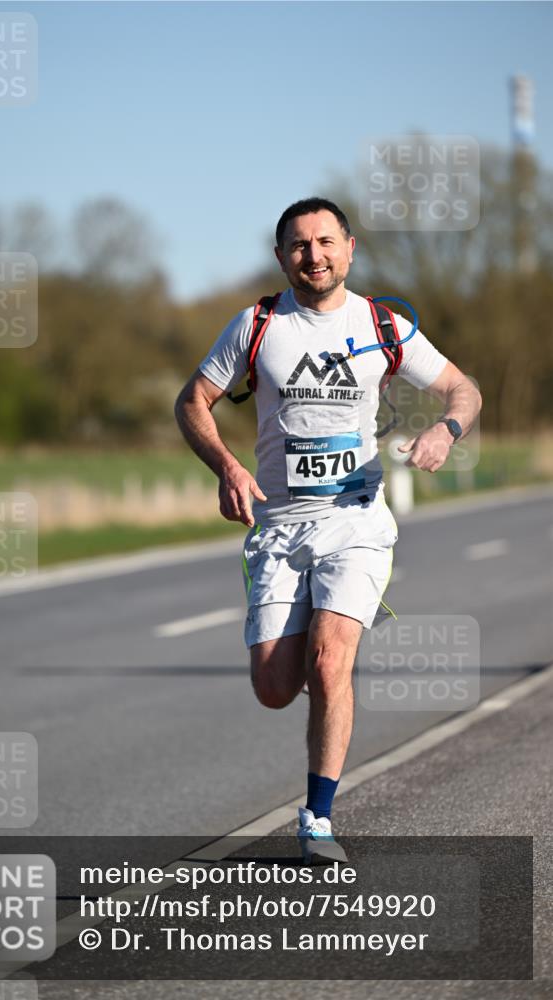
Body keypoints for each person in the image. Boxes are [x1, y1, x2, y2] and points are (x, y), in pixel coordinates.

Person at [174, 197, 482, 863]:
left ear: (348, 248)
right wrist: (225, 465)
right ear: (281, 255)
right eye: (297, 245)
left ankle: (316, 817)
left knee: (329, 659)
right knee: (275, 688)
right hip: (280, 529)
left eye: (324, 242)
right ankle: (304, 644)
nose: (312, 255)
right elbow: (191, 399)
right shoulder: (257, 325)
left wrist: (444, 427)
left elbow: (464, 389)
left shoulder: (381, 324)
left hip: (356, 524)